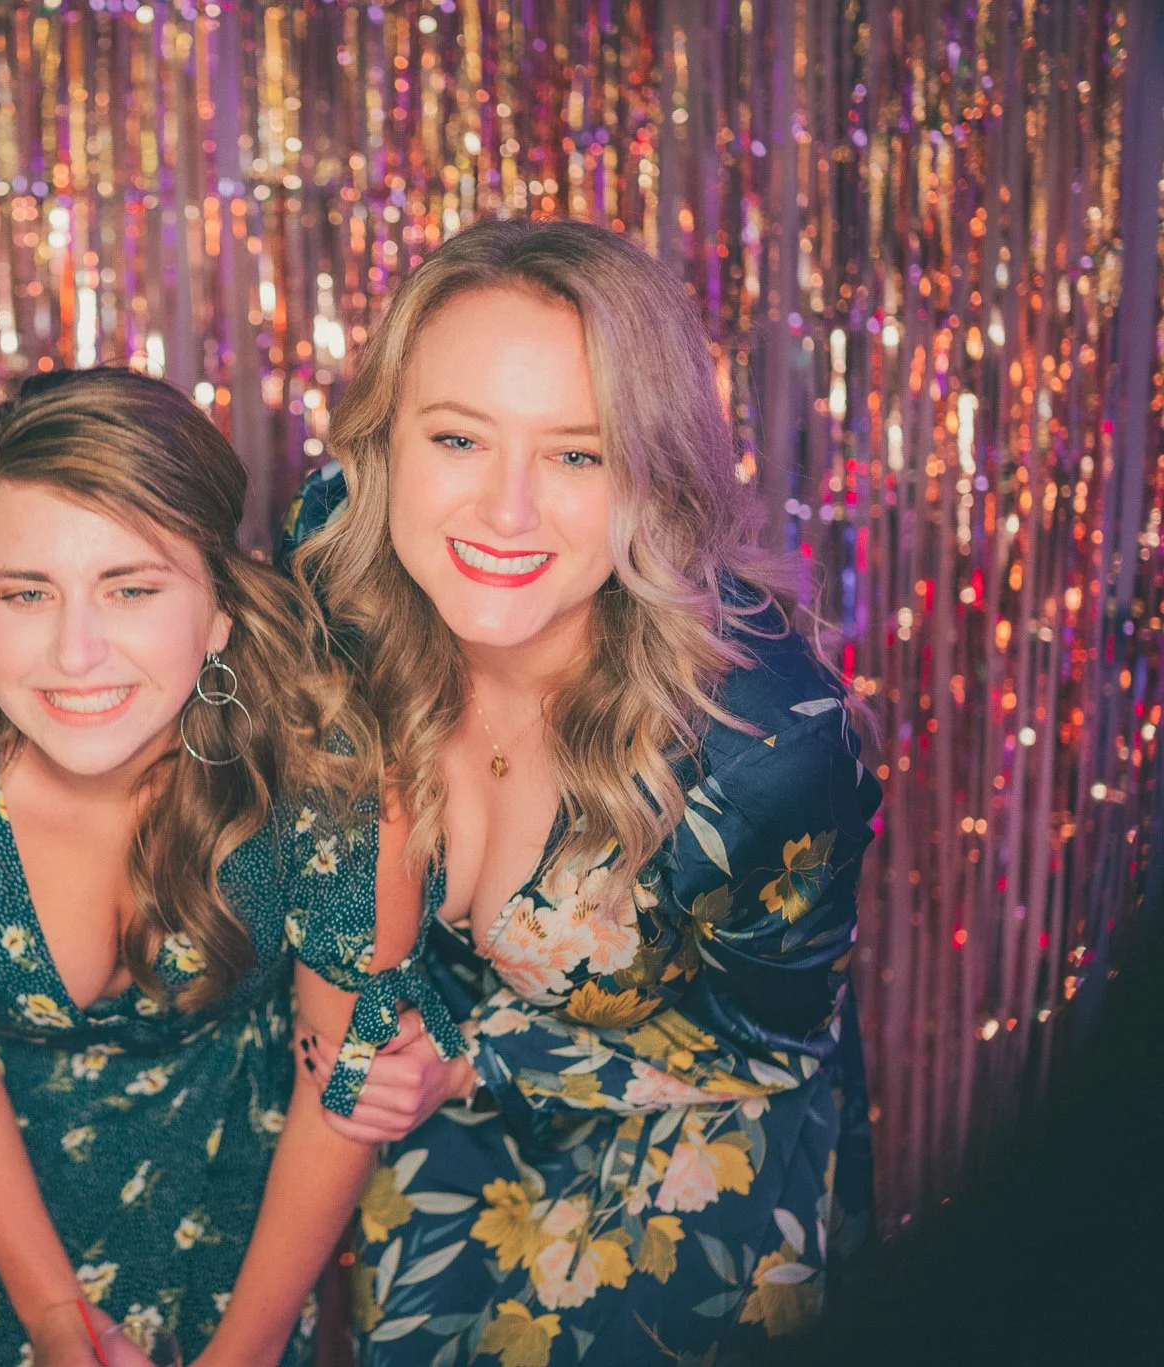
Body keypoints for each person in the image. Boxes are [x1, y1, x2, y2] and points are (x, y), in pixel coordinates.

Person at [283, 218, 881, 1366]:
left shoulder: (765, 752)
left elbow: (771, 1038)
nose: (504, 509)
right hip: (438, 1138)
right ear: (382, 439)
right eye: (457, 436)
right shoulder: (332, 559)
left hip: (685, 1151)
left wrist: (468, 1056)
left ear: (655, 475)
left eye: (576, 453)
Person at [0, 368, 461, 1366]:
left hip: (248, 1226)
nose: (76, 653)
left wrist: (242, 1352)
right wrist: (51, 1316)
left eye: (131, 587)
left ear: (216, 609)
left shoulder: (329, 764)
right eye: (26, 592)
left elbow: (344, 1076)